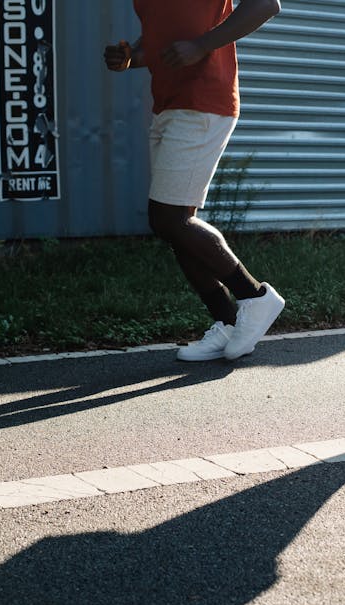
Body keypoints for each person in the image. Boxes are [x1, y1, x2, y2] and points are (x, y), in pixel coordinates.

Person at [105, 0, 285, 362]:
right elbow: (166, 42)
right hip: (170, 104)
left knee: (169, 218)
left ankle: (255, 297)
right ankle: (228, 322)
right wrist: (132, 56)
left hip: (204, 101)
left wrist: (202, 45)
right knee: (175, 224)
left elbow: (266, 4)